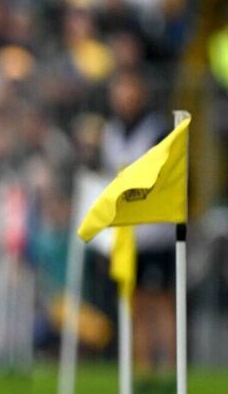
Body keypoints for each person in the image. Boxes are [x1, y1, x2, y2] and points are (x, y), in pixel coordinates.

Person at [100, 71, 175, 389]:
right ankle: (143, 368)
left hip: (155, 232)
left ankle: (170, 368)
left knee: (161, 300)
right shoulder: (111, 132)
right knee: (135, 301)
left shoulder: (156, 130)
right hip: (127, 235)